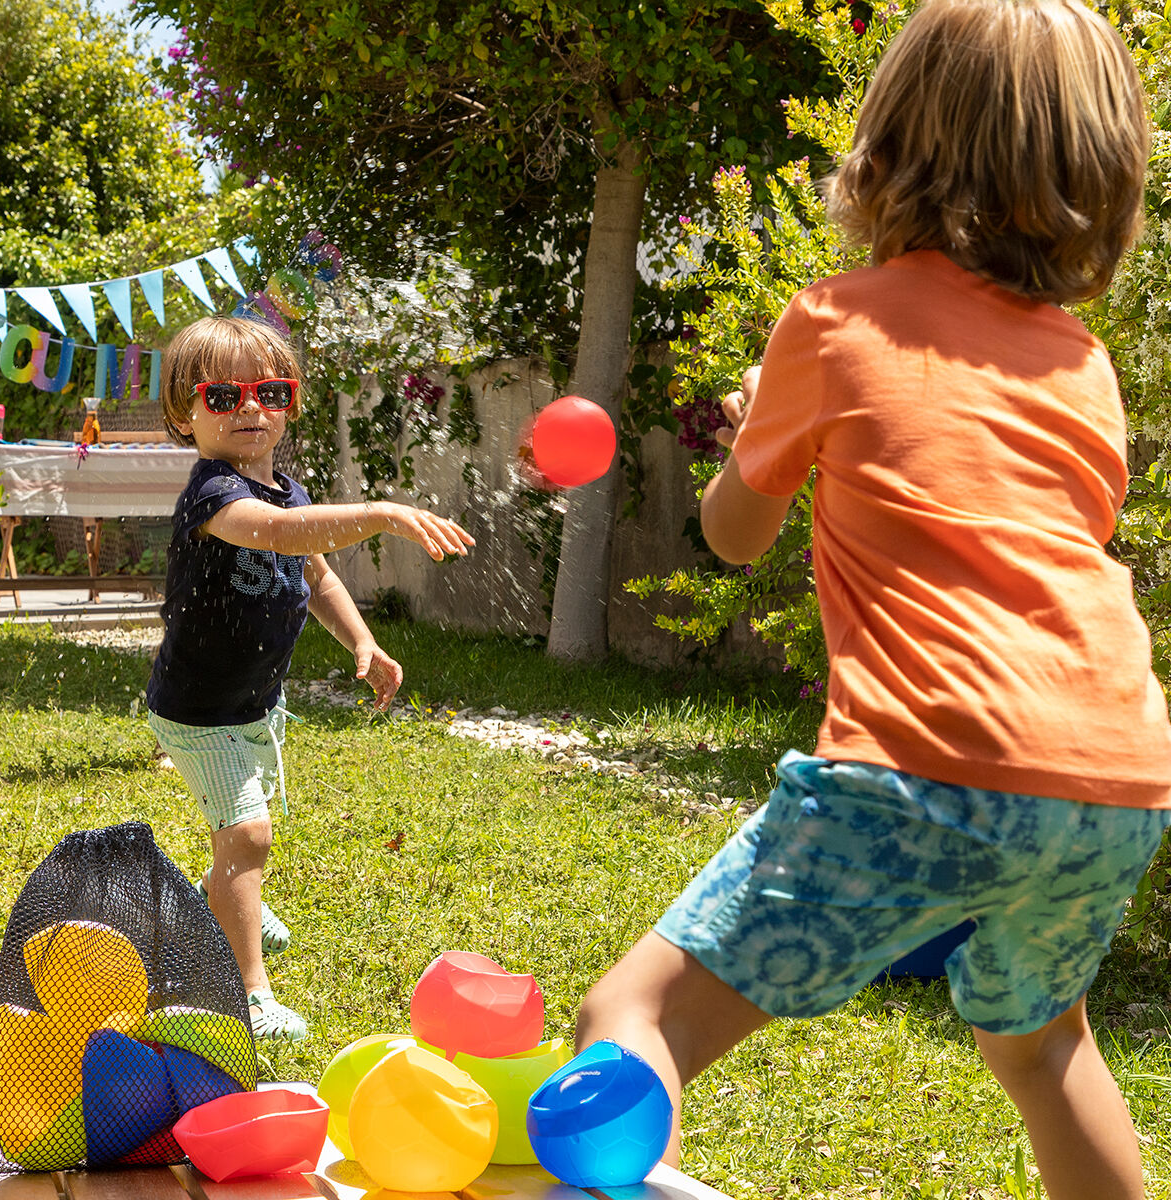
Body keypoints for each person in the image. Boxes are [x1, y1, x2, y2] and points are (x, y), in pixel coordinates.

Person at [575, 1, 1171, 1197]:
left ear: (893, 141)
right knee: (1044, 1043)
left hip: (924, 766)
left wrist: (761, 425)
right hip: (1118, 777)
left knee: (635, 1016)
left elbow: (732, 537)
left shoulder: (835, 321)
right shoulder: (1083, 365)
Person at [147, 314, 474, 1042]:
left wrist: (364, 640)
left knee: (244, 838)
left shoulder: (290, 492)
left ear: (290, 403)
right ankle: (249, 994)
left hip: (256, 704)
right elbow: (277, 536)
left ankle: (217, 908)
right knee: (249, 833)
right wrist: (382, 513)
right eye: (224, 396)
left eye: (271, 391)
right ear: (183, 413)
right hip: (197, 710)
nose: (252, 408)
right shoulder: (214, 494)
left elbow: (314, 569)